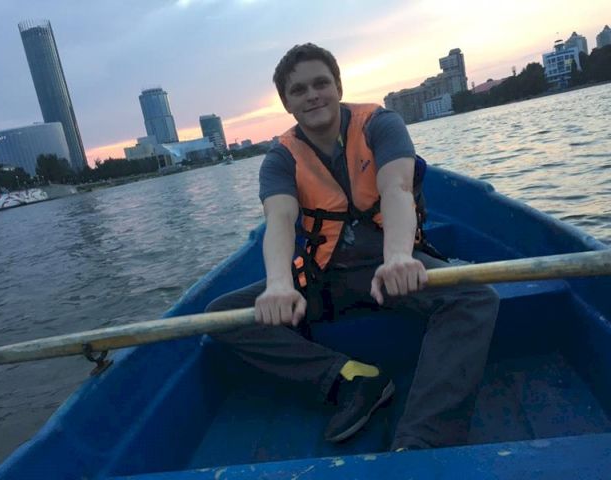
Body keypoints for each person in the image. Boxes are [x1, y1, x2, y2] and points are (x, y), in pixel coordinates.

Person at [206, 43, 499, 451]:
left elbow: (396, 188)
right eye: (299, 90)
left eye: (321, 83)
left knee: (473, 296)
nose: (312, 95)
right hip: (325, 277)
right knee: (222, 316)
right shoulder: (280, 158)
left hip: (389, 270)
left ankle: (423, 442)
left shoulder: (381, 125)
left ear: (338, 87)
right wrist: (279, 285)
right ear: (287, 103)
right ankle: (351, 378)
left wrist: (398, 258)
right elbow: (280, 219)